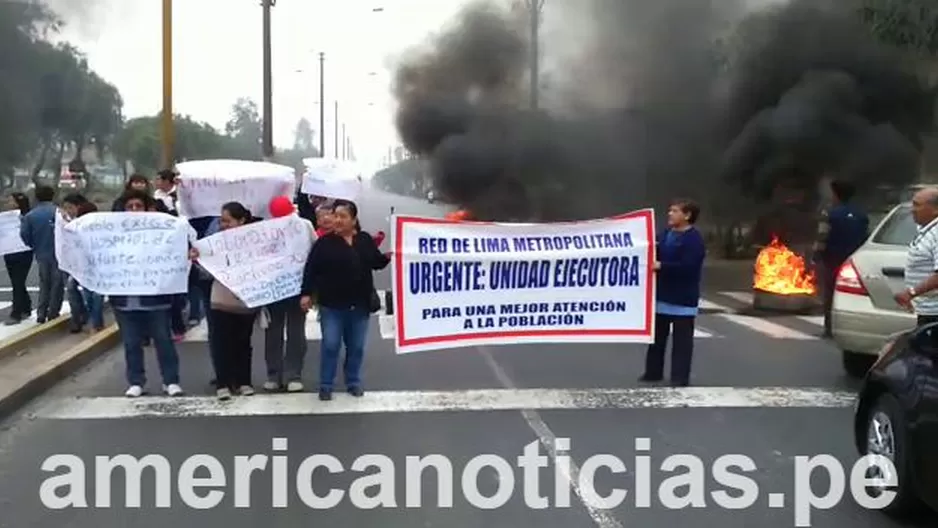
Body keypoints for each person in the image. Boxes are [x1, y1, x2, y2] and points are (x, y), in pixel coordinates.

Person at [301, 199, 390, 400]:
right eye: (336, 216)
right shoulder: (324, 243)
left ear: (353, 219)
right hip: (331, 305)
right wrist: (306, 294)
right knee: (331, 344)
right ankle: (326, 385)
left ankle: (353, 382)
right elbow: (311, 270)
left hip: (360, 305)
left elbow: (375, 262)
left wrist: (387, 257)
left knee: (356, 347)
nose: (338, 220)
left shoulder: (364, 240)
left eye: (343, 216)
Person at [109, 190, 183, 397]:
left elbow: (177, 249)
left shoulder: (162, 232)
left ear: (147, 208)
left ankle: (171, 381)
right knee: (131, 344)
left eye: (138, 206)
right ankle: (136, 382)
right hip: (124, 302)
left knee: (164, 341)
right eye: (130, 206)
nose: (134, 210)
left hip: (156, 300)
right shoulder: (113, 236)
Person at [640, 198, 706, 387]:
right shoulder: (666, 234)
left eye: (675, 211)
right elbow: (653, 251)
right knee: (656, 339)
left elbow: (690, 267)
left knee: (682, 342)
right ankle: (653, 372)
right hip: (661, 295)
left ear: (687, 215)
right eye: (670, 210)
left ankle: (679, 377)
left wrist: (663, 266)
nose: (670, 214)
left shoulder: (694, 239)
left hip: (683, 298)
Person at [206, 202, 262, 400]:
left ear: (242, 220)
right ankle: (223, 383)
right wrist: (197, 258)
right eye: (222, 221)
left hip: (245, 300)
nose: (224, 225)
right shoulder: (214, 241)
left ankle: (243, 381)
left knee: (243, 342)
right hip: (221, 299)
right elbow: (204, 270)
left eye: (227, 221)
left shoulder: (255, 241)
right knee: (221, 342)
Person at [263, 196, 313, 392]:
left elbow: (313, 251)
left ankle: (283, 375)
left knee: (287, 332)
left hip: (294, 287)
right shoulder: (265, 229)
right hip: (277, 289)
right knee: (286, 332)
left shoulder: (304, 226)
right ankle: (286, 375)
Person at [811, 179, 869, 338]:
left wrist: (816, 257)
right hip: (853, 261)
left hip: (833, 259)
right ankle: (854, 328)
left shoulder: (830, 214)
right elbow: (865, 237)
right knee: (852, 295)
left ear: (836, 195)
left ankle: (829, 329)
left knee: (830, 294)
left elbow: (822, 236)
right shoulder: (861, 215)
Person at [894, 187, 938, 325]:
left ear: (935, 209)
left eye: (917, 205)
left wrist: (911, 293)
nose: (912, 209)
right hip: (926, 311)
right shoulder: (926, 230)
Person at [20, 185, 62, 324]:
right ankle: (53, 311)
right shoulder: (59, 212)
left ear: (37, 197)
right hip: (59, 252)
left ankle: (41, 312)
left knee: (44, 282)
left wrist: (33, 245)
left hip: (41, 251)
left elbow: (24, 235)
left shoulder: (30, 216)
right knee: (57, 282)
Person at [61, 193, 91, 333]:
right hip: (74, 264)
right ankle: (77, 317)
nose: (68, 211)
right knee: (72, 288)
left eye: (70, 207)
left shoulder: (86, 221)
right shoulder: (63, 222)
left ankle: (90, 317)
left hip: (88, 264)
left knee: (89, 292)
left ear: (78, 207)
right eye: (65, 208)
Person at [4, 192, 33, 325]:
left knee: (18, 281)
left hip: (23, 252)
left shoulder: (27, 217)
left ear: (18, 203)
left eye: (10, 201)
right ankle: (26, 306)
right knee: (16, 282)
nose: (7, 203)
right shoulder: (5, 218)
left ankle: (16, 314)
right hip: (9, 252)